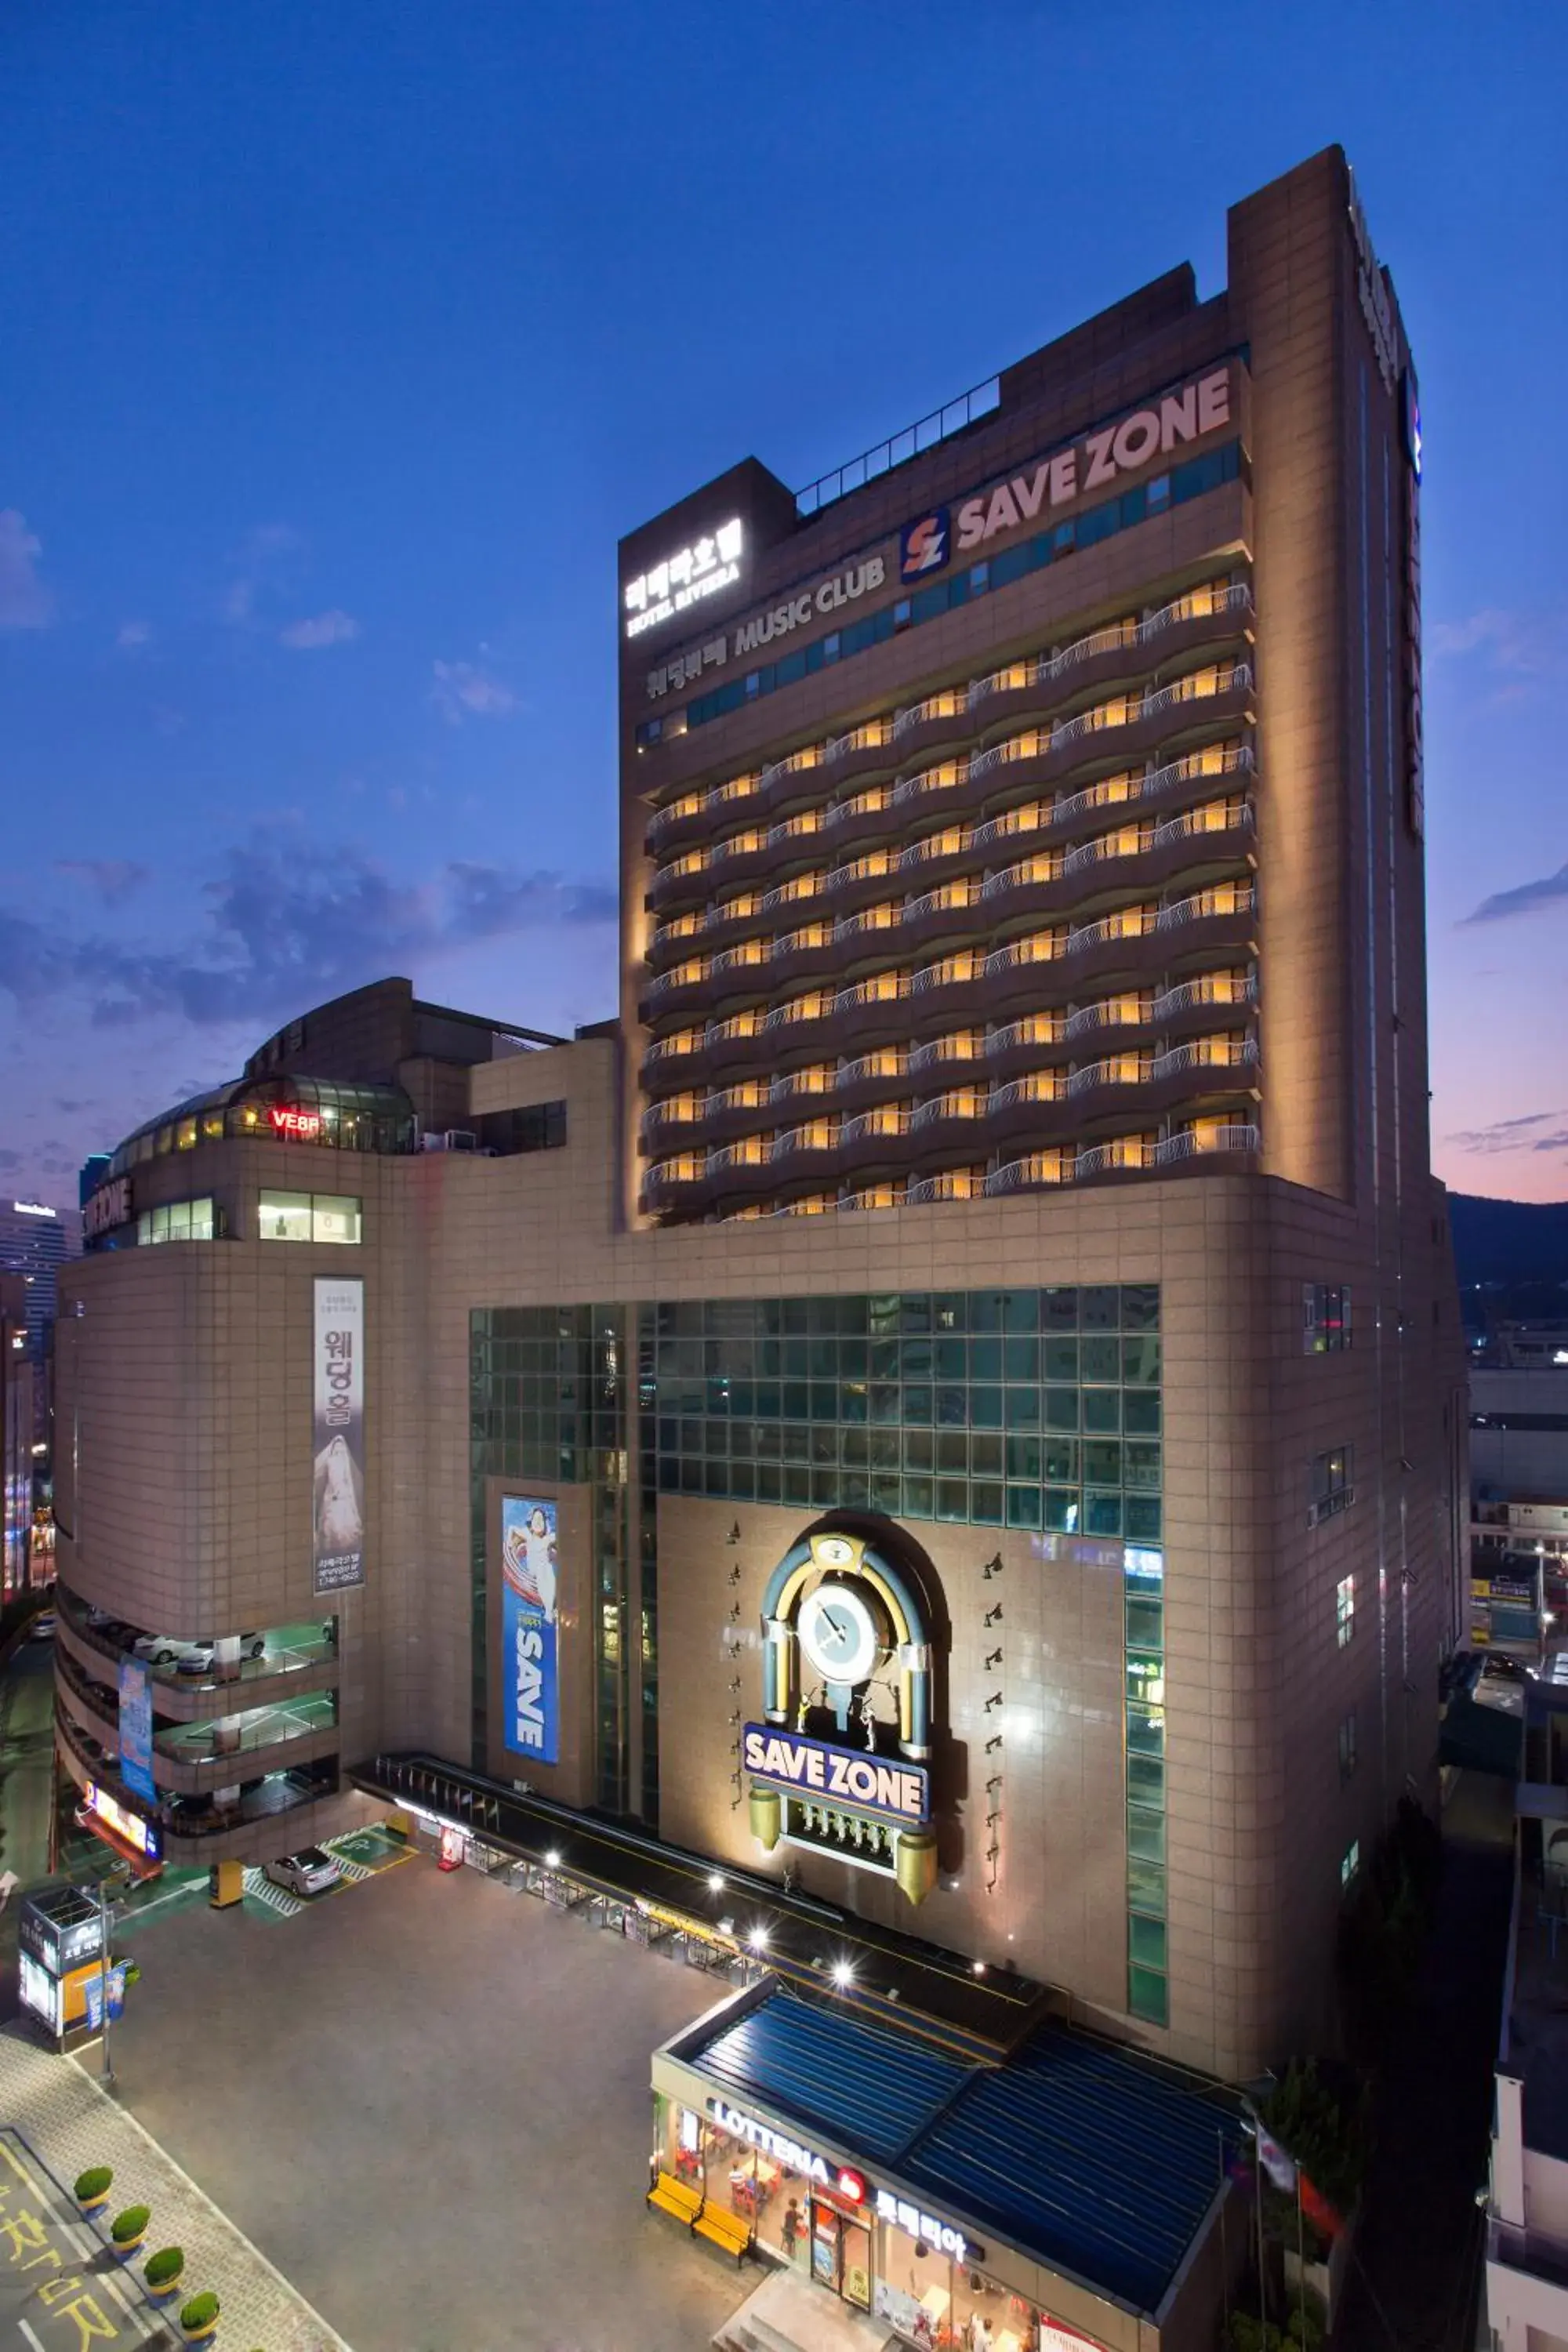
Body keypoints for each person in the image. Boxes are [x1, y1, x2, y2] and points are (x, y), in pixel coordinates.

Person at [782, 2198, 802, 2263]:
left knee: (797, 2237)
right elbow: (789, 2225)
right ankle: (789, 2255)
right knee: (793, 2240)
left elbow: (799, 2217)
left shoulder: (790, 2213)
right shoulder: (791, 2214)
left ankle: (791, 2253)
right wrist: (794, 2230)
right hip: (788, 2232)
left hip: (789, 2230)